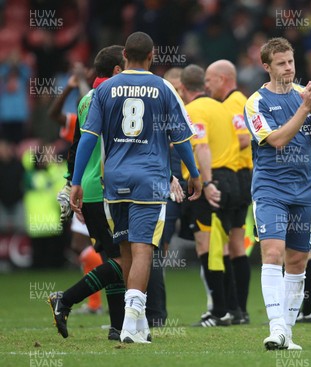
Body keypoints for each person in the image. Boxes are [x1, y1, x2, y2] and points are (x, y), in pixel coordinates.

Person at [69, 32, 203, 343]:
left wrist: (76, 181)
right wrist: (193, 173)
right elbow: (181, 137)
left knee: (126, 247)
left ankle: (139, 322)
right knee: (143, 248)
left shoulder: (103, 91)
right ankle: (131, 322)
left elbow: (87, 138)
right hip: (149, 177)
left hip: (114, 180)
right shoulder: (163, 87)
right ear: (152, 56)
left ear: (125, 54)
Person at [244, 37, 311, 350]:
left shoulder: (305, 95)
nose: (288, 68)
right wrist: (305, 110)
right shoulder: (255, 102)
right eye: (281, 63)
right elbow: (278, 140)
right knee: (271, 254)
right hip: (271, 189)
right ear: (266, 66)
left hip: (307, 190)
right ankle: (276, 326)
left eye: (291, 62)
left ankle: (287, 333)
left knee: (298, 261)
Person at [48, 45, 127, 340]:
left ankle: (117, 328)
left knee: (113, 259)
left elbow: (76, 145)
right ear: (118, 70)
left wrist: (72, 183)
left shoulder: (86, 100)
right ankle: (65, 299)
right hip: (109, 190)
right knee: (124, 260)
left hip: (90, 189)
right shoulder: (115, 97)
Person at [178, 64, 239, 327]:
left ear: (182, 88)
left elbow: (201, 146)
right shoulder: (221, 107)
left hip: (208, 181)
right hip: (230, 178)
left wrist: (207, 181)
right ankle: (230, 308)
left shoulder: (193, 110)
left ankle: (218, 312)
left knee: (207, 247)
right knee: (221, 247)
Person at [205, 59, 252, 324]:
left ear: (223, 79)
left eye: (210, 81)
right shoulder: (238, 101)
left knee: (222, 243)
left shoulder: (234, 103)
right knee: (235, 244)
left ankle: (230, 308)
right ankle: (238, 310)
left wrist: (220, 149)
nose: (207, 86)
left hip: (234, 175)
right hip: (241, 177)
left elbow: (245, 137)